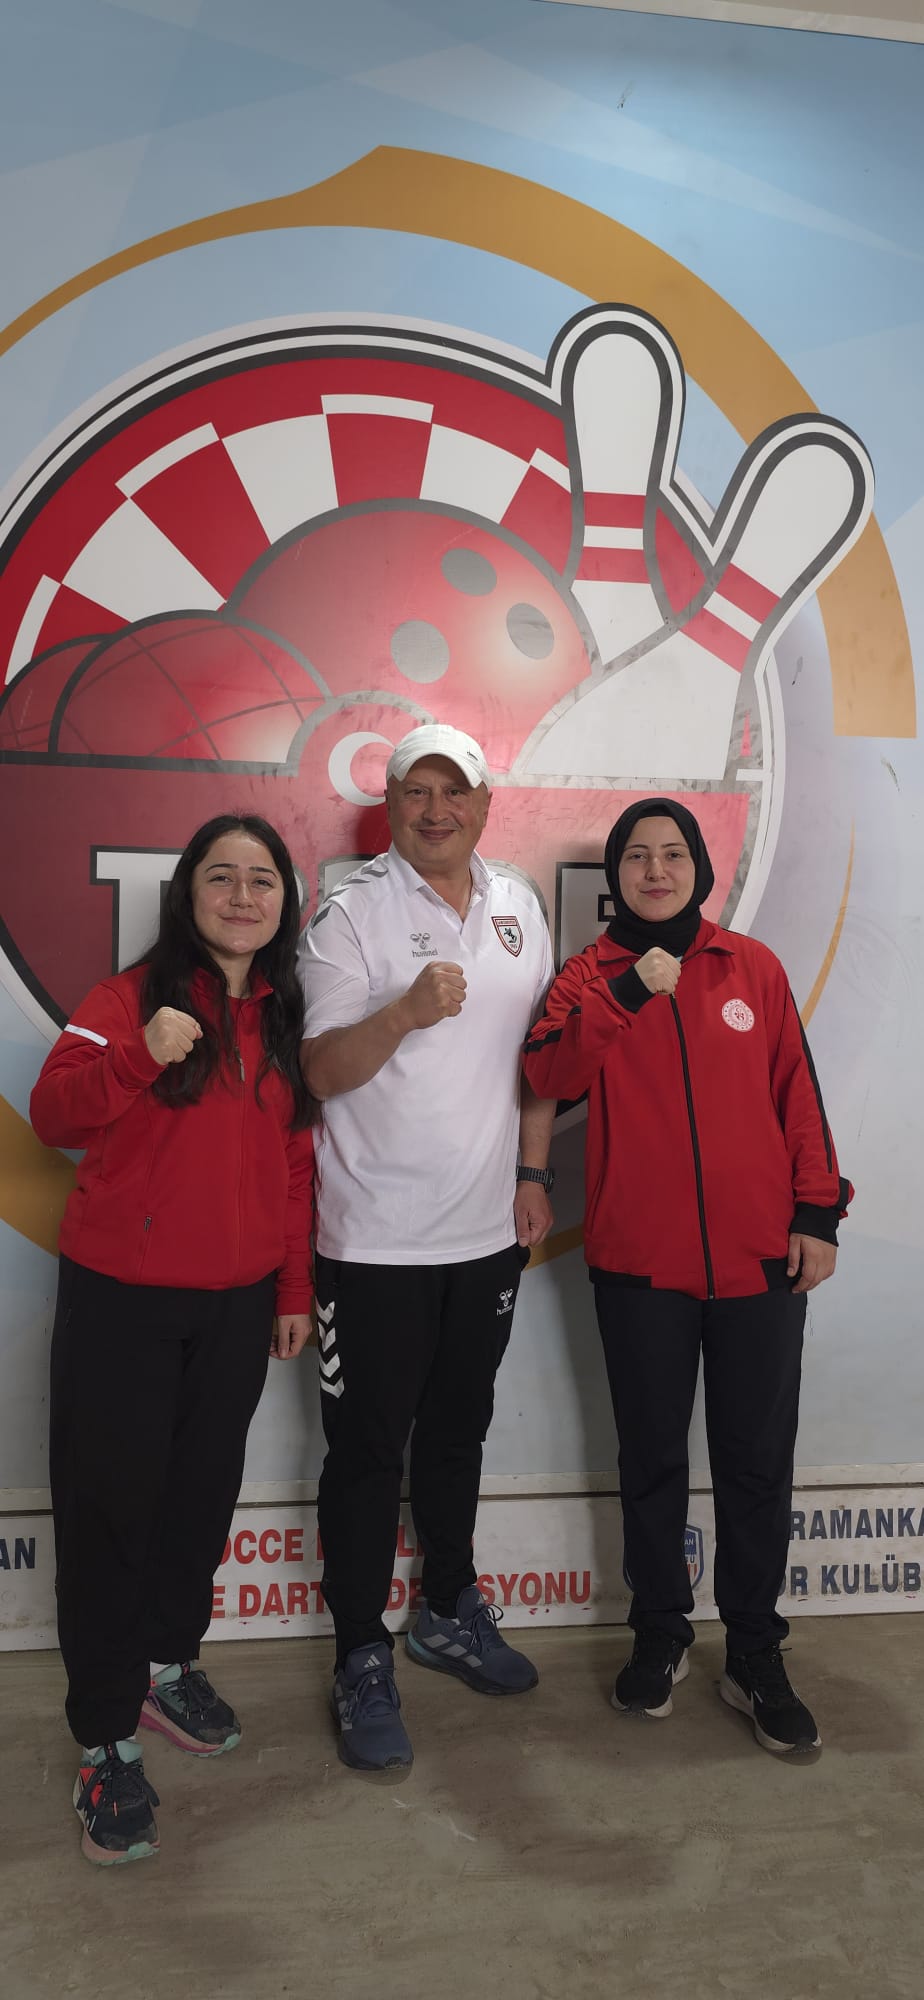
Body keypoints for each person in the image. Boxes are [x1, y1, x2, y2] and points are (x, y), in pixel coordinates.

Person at [523, 798, 851, 1756]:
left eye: (673, 854)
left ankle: (754, 1652)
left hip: (759, 1264)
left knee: (755, 1464)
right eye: (637, 856)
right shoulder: (588, 976)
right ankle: (659, 1634)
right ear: (615, 877)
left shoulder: (752, 966)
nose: (656, 870)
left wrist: (817, 1213)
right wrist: (627, 993)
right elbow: (547, 1074)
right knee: (652, 1460)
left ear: (700, 870)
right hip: (640, 1265)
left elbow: (798, 1092)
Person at [30, 814, 316, 1865]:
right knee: (111, 1512)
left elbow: (293, 1165)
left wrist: (292, 1285)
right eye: (221, 877)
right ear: (188, 893)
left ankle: (164, 1666)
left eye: (262, 879)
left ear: (283, 900)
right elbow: (54, 1112)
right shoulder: (126, 1000)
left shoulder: (283, 1013)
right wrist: (138, 1057)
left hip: (236, 1305)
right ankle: (106, 1735)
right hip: (123, 1300)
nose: (242, 896)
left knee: (199, 1499)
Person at [299, 724, 556, 1771]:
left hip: (485, 1236)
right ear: (392, 805)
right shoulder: (348, 913)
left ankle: (447, 1605)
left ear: (486, 804)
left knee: (458, 1432)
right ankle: (361, 1651)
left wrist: (533, 1174)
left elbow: (540, 1059)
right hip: (372, 1242)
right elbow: (320, 1070)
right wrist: (404, 1012)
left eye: (456, 791)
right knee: (367, 1453)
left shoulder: (518, 905)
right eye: (417, 790)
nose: (437, 809)